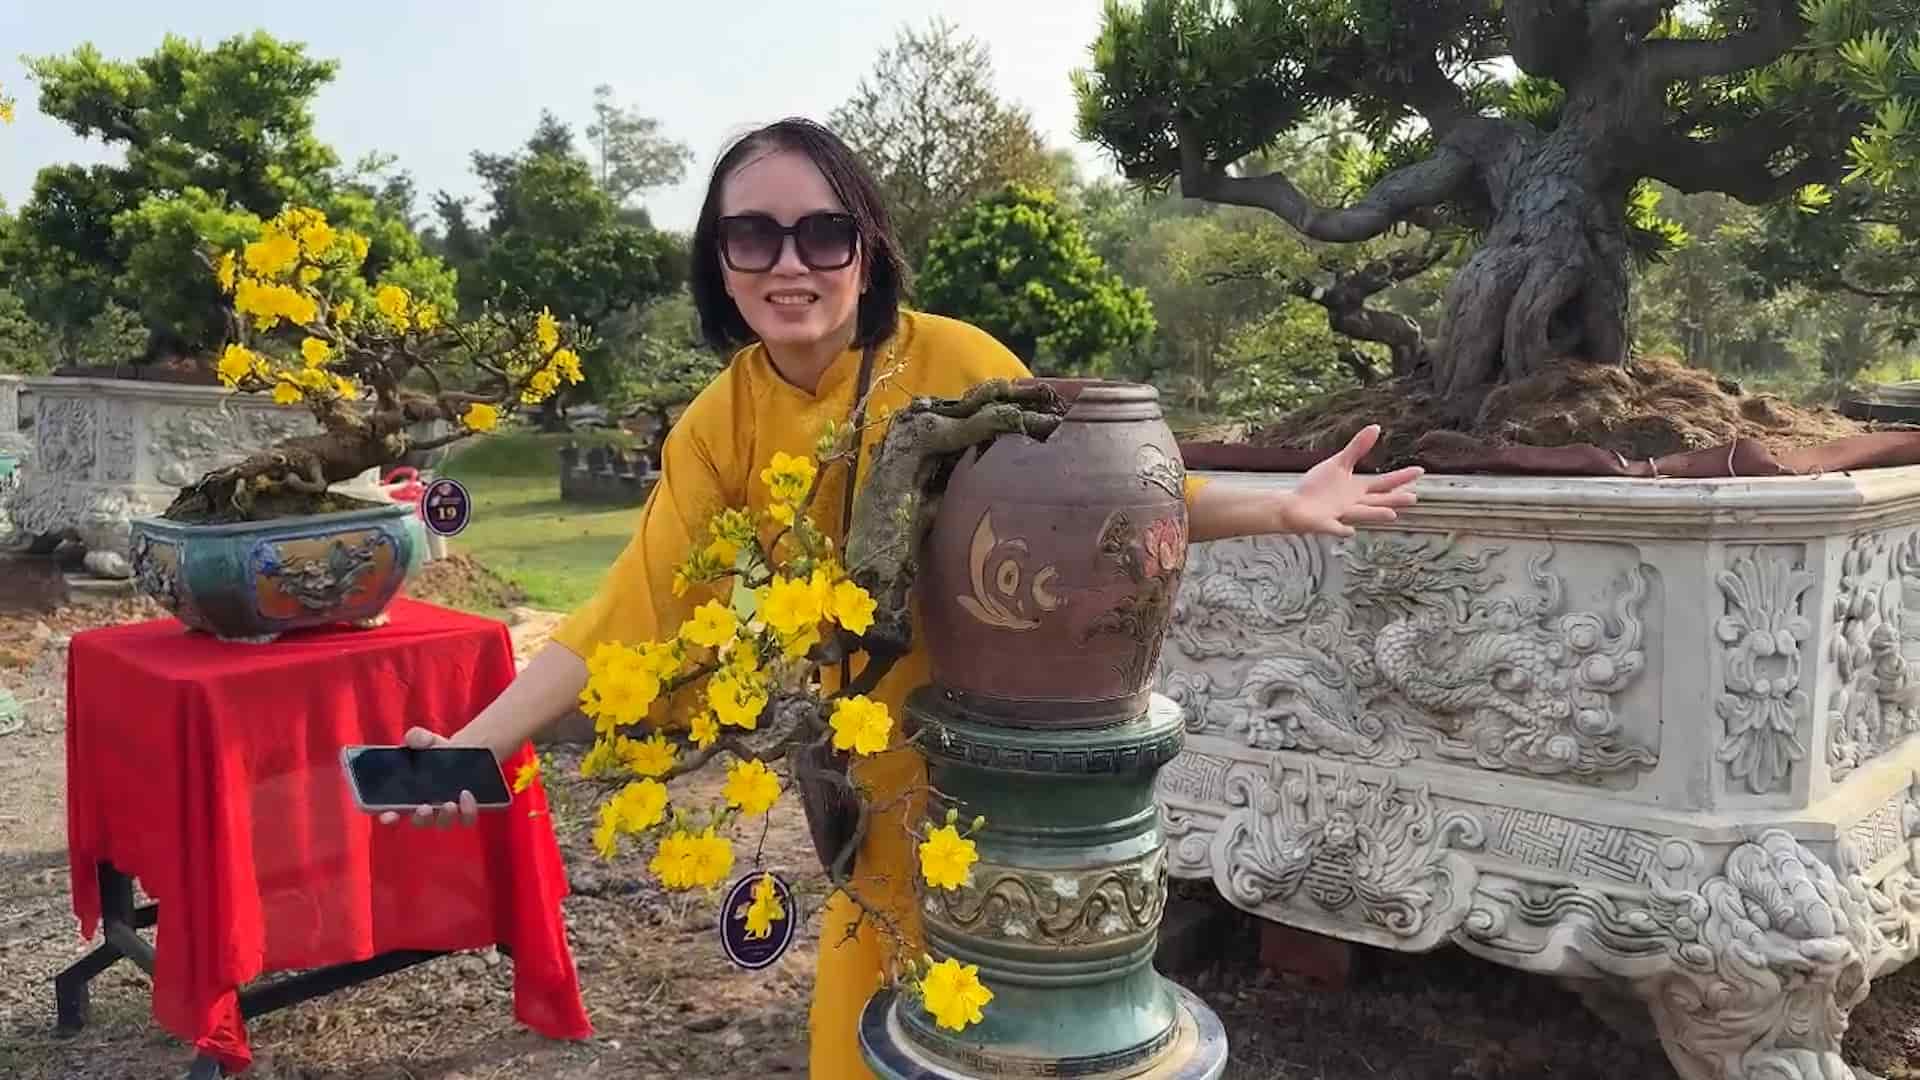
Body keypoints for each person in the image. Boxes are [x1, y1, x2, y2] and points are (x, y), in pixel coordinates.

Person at [385, 116, 1422, 1077]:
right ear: (719, 262)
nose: (789, 263)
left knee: (1027, 1032)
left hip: (1007, 770)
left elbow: (1098, 497)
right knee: (859, 1037)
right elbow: (633, 609)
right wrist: (481, 742)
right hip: (867, 782)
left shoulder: (954, 363)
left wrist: (1283, 505)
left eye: (821, 233)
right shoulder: (717, 427)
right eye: (753, 236)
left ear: (866, 249)